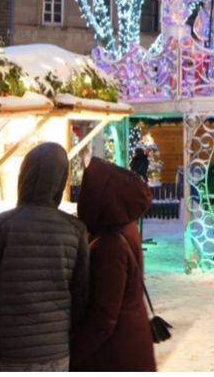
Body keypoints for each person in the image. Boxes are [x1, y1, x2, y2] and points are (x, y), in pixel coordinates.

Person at [0, 142, 89, 371]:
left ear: (23, 176)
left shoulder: (1, 226)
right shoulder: (76, 231)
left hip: (9, 356)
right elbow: (81, 300)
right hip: (57, 356)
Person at [70, 158, 156, 370]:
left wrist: (73, 355)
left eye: (87, 190)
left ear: (100, 196)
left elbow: (104, 318)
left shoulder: (110, 244)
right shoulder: (123, 226)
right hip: (131, 345)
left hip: (117, 354)